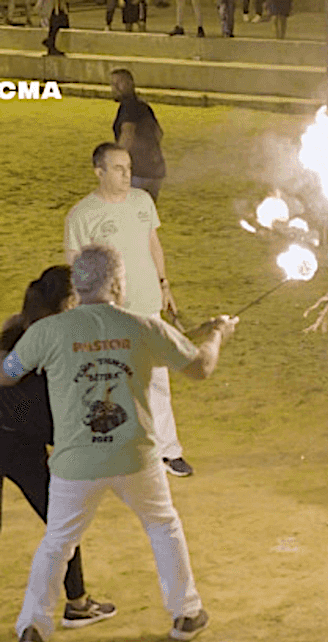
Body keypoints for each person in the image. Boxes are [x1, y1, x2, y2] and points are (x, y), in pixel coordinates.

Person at [3, 245, 238, 642]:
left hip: (75, 462)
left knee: (57, 543)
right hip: (135, 457)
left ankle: (34, 627)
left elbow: (6, 374)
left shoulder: (48, 331)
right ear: (115, 283)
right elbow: (201, 366)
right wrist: (217, 333)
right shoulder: (143, 326)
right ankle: (186, 613)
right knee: (163, 526)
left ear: (79, 284)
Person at [65, 143, 195, 478]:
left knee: (158, 381)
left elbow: (153, 243)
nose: (127, 175)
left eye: (128, 167)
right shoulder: (82, 215)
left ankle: (168, 451)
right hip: (111, 313)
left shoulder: (142, 201)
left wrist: (164, 284)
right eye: (119, 169)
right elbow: (76, 264)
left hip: (149, 305)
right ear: (99, 172)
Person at [1, 267, 118, 635]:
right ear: (68, 302)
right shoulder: (56, 339)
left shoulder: (17, 326)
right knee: (62, 524)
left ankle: (78, 603)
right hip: (18, 440)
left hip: (14, 431)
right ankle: (77, 604)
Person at [111, 70, 167, 203]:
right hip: (154, 172)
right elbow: (159, 133)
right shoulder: (143, 106)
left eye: (119, 84)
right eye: (113, 84)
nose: (115, 88)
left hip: (136, 172)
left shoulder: (128, 107)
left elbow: (128, 135)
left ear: (130, 84)